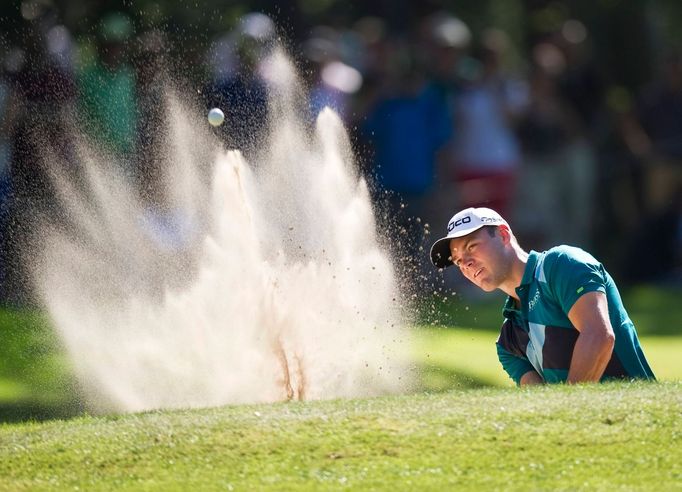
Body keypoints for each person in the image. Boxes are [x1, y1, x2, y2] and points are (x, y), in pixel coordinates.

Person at [429, 206, 655, 386]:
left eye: (472, 246)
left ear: (503, 234)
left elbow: (599, 336)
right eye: (458, 261)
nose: (466, 263)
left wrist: (568, 412)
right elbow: (543, 406)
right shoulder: (508, 343)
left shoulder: (562, 264)